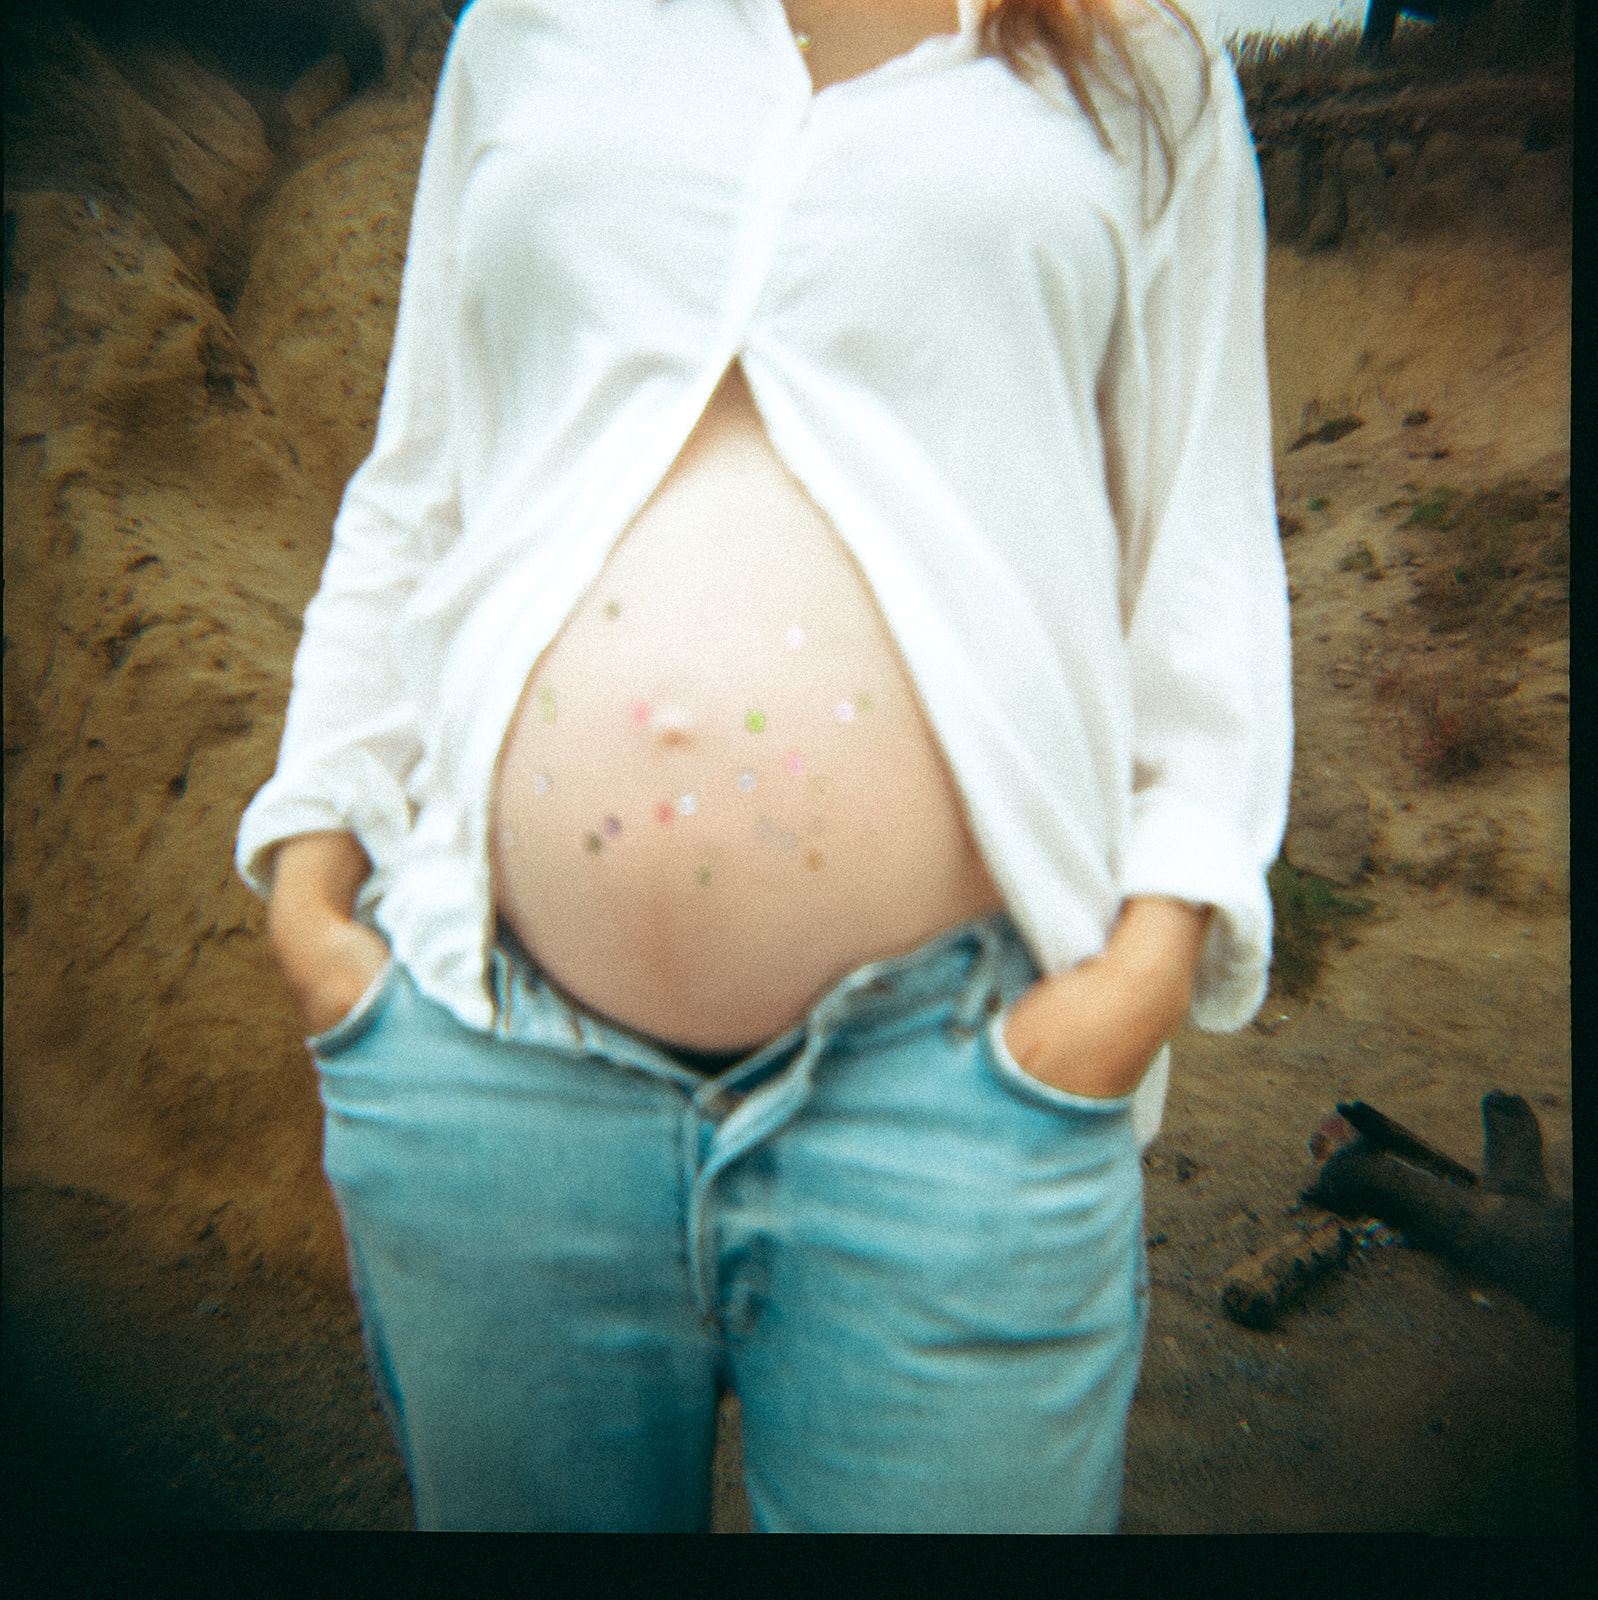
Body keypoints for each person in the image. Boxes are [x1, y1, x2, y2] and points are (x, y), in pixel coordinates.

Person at [238, 0, 1292, 1532]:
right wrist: (316, 878)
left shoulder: (1140, 66)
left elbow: (1199, 552)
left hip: (959, 1086)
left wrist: (1141, 967)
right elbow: (422, 479)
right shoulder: (532, 31)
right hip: (486, 1063)